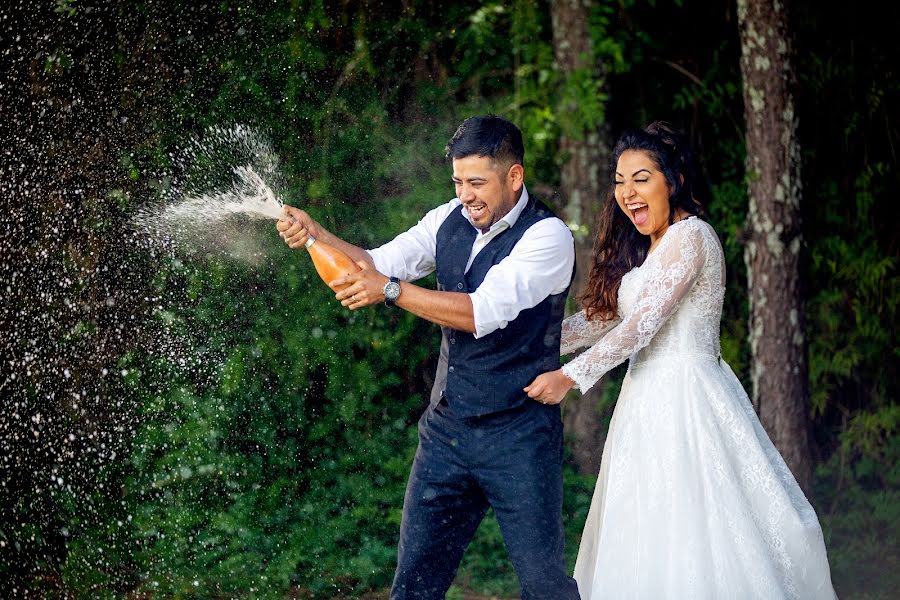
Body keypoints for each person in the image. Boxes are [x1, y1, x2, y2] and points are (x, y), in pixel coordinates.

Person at [524, 122, 837, 599]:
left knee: (696, 527)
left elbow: (642, 325)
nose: (627, 193)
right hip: (641, 405)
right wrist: (531, 344)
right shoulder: (644, 253)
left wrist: (569, 376)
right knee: (644, 527)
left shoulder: (693, 237)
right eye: (619, 181)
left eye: (641, 178)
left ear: (672, 180)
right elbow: (600, 320)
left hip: (690, 401)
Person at [277, 115, 580, 599]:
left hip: (518, 436)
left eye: (477, 182)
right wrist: (318, 236)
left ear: (514, 176)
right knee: (413, 588)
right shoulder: (446, 219)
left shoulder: (548, 237)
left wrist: (392, 292)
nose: (466, 194)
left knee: (545, 587)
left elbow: (481, 312)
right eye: (458, 181)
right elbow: (372, 265)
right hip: (446, 434)